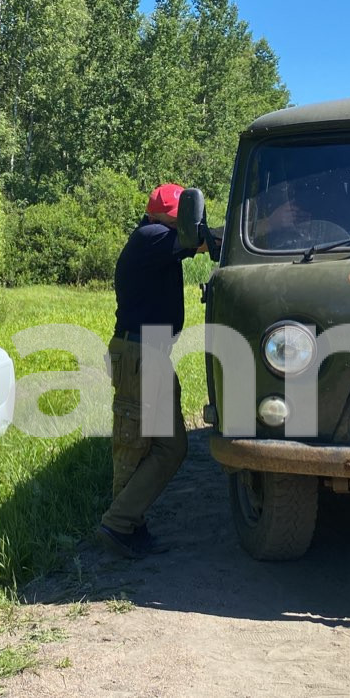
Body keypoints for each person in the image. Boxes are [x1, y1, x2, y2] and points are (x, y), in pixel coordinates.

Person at [97, 183, 215, 559]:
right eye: (182, 214)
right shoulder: (151, 236)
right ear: (167, 215)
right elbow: (201, 244)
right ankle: (118, 525)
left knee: (165, 445)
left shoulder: (157, 237)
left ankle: (129, 522)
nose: (186, 221)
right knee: (138, 445)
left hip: (148, 352)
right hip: (140, 352)